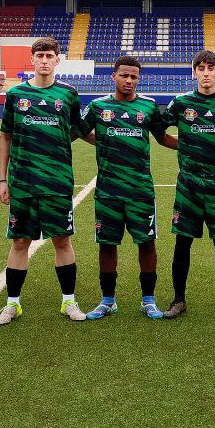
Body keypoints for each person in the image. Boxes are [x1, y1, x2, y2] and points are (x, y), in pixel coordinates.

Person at [0, 37, 87, 324]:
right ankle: (12, 304)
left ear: (57, 60)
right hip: (22, 182)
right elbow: (6, 136)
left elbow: (77, 129)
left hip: (57, 182)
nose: (44, 60)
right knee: (20, 241)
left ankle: (69, 301)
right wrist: (2, 180)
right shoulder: (16, 94)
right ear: (32, 59)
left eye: (49, 55)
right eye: (40, 55)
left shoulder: (69, 94)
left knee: (62, 240)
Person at [79, 56, 172, 320]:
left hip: (140, 190)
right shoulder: (98, 106)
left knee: (147, 243)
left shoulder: (149, 106)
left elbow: (162, 137)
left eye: (133, 76)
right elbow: (79, 130)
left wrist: (195, 145)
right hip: (108, 190)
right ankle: (108, 300)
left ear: (138, 79)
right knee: (107, 244)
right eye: (124, 75)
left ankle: (148, 300)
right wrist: (100, 140)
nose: (129, 80)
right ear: (114, 76)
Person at [162, 50, 215, 320]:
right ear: (194, 72)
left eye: (211, 68)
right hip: (189, 182)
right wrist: (183, 145)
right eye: (201, 68)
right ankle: (178, 300)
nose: (206, 73)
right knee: (182, 241)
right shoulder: (181, 102)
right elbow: (159, 130)